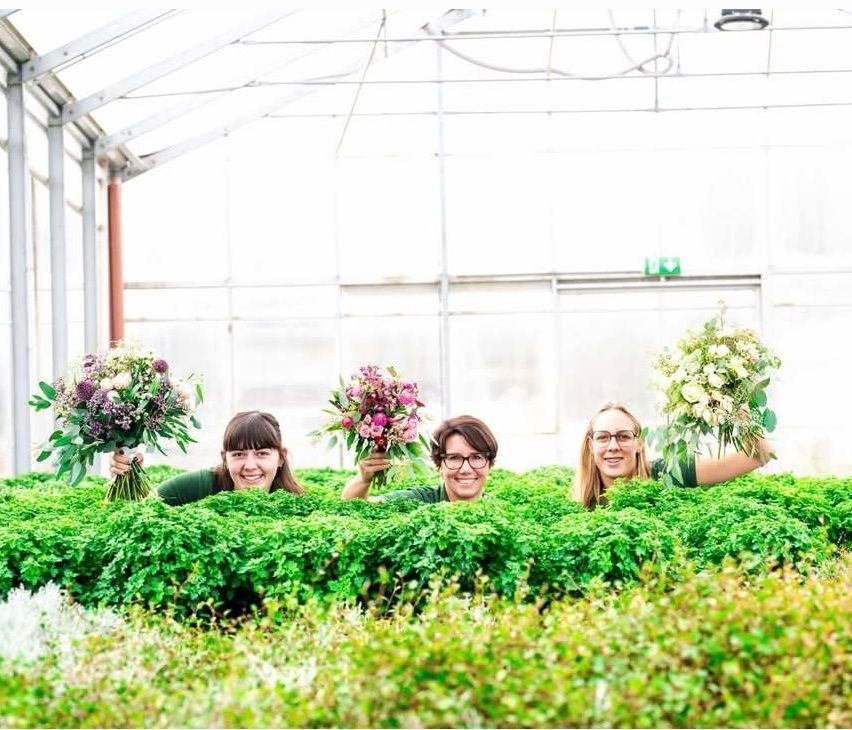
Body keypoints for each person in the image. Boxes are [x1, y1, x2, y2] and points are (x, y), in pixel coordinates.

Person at [573, 401, 773, 509]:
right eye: (602, 437)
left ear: (640, 443)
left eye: (624, 436)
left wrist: (735, 403)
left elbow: (760, 455)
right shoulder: (580, 502)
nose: (613, 446)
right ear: (591, 445)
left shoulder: (669, 473)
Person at [110, 410, 305, 506]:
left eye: (262, 453)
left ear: (281, 457)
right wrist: (123, 474)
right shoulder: (198, 486)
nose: (250, 465)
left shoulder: (297, 504)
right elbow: (138, 511)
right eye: (238, 454)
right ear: (225, 458)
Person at [341, 414, 498, 503]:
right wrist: (363, 479)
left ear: (490, 463)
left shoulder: (499, 512)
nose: (465, 469)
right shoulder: (419, 500)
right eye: (454, 458)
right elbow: (356, 508)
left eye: (477, 457)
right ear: (439, 464)